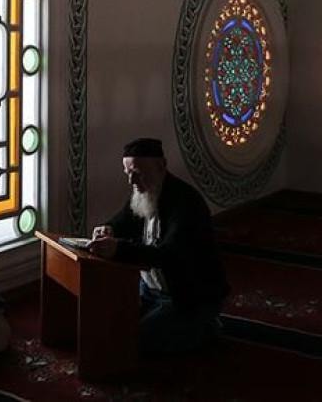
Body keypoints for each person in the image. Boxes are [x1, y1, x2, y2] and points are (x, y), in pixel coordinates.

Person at [87, 137, 229, 356]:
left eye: (137, 173)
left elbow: (168, 255)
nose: (132, 181)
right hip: (149, 292)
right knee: (110, 325)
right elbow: (123, 220)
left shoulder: (185, 203)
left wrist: (118, 249)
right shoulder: (144, 190)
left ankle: (205, 327)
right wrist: (108, 229)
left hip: (186, 297)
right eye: (128, 173)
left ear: (161, 166)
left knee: (136, 343)